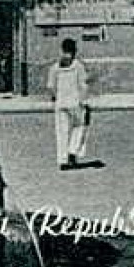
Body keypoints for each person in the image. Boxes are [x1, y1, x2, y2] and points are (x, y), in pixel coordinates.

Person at [48, 38, 91, 170]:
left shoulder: (55, 67)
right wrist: (84, 101)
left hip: (61, 103)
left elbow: (50, 86)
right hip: (75, 102)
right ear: (74, 50)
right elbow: (83, 85)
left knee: (62, 131)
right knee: (80, 126)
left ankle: (63, 159)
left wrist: (55, 96)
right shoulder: (78, 66)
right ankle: (73, 151)